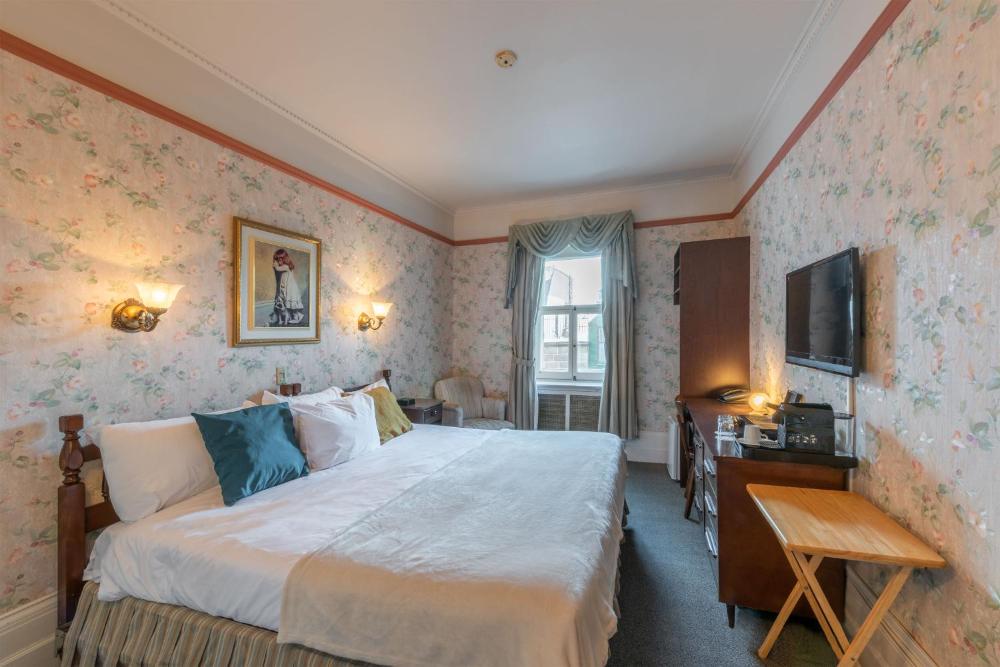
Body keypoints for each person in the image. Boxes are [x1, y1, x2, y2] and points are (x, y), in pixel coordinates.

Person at [270, 248, 305, 325]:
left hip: (291, 289)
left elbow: (277, 269)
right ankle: (293, 316)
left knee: (293, 305)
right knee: (288, 305)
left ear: (285, 259)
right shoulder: (284, 267)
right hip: (286, 288)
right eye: (277, 260)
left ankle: (297, 317)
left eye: (280, 260)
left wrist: (274, 264)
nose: (278, 261)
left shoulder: (286, 267)